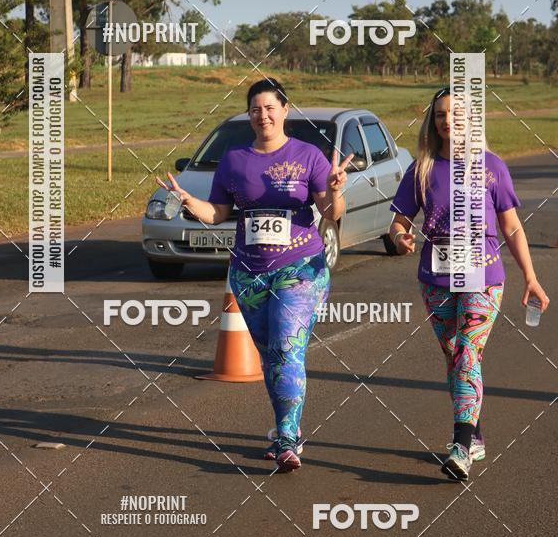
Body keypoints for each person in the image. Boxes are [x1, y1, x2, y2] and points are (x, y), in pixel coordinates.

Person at [157, 78, 353, 472]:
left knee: (285, 347)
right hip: (248, 273)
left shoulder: (308, 156)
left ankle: (285, 439)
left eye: (269, 108)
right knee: (271, 357)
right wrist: (191, 203)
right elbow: (219, 213)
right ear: (249, 115)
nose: (262, 115)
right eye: (255, 109)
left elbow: (332, 214)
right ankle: (287, 430)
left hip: (301, 269)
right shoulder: (234, 159)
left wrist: (335, 190)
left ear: (284, 110)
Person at [389, 87, 549, 481]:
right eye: (441, 114)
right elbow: (399, 222)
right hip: (436, 278)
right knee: (454, 355)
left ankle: (460, 446)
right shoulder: (422, 169)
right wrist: (399, 237)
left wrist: (531, 278)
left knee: (466, 351)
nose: (448, 120)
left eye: (455, 114)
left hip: (485, 276)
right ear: (434, 122)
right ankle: (474, 434)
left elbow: (511, 226)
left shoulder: (492, 166)